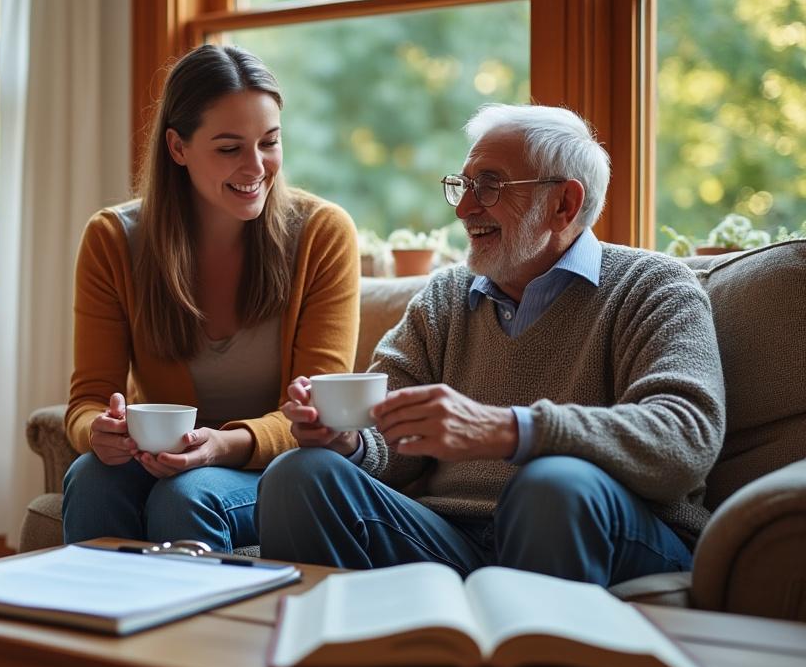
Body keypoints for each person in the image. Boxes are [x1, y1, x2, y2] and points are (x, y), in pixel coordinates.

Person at [257, 103, 725, 586]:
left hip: (606, 527)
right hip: (450, 538)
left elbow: (685, 440)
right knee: (300, 473)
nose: (463, 208)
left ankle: (533, 654)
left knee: (552, 483)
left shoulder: (654, 287)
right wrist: (349, 442)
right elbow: (390, 437)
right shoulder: (445, 297)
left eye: (490, 185)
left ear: (563, 204)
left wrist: (512, 430)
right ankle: (325, 651)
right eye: (463, 185)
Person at [62, 44, 360, 553]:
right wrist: (100, 431)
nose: (256, 166)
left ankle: (202, 635)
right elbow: (87, 400)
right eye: (229, 148)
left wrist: (223, 445)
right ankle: (96, 627)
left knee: (186, 494)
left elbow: (321, 414)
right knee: (91, 476)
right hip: (164, 459)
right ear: (177, 147)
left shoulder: (320, 234)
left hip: (273, 468)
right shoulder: (114, 239)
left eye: (269, 142)